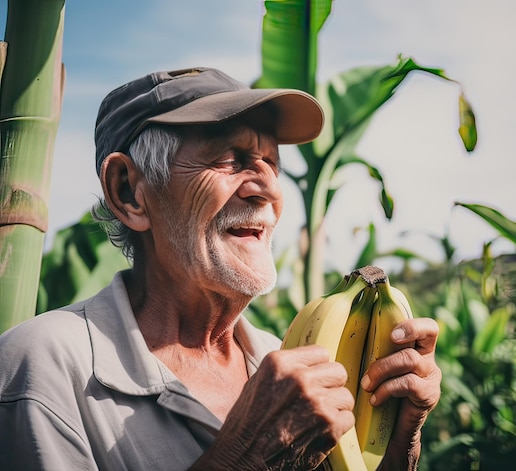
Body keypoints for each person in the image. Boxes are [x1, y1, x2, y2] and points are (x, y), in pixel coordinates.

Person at [0, 67, 442, 470]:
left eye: (271, 162)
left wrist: (401, 438)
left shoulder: (285, 358)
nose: (268, 187)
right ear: (129, 192)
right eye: (230, 159)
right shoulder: (43, 368)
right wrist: (241, 459)